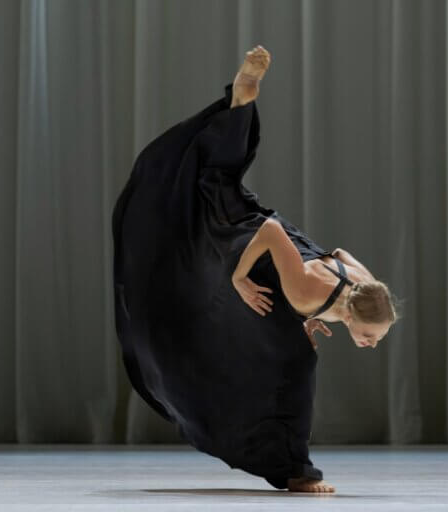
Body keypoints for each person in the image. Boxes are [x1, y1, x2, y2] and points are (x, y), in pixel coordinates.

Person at [111, 45, 400, 494]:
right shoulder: (308, 292)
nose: (370, 342)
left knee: (217, 183)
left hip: (282, 248)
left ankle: (242, 103)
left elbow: (340, 253)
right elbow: (268, 232)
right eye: (370, 334)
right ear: (355, 311)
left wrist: (311, 314)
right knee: (198, 206)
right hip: (249, 238)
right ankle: (296, 470)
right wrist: (240, 278)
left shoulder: (363, 282)